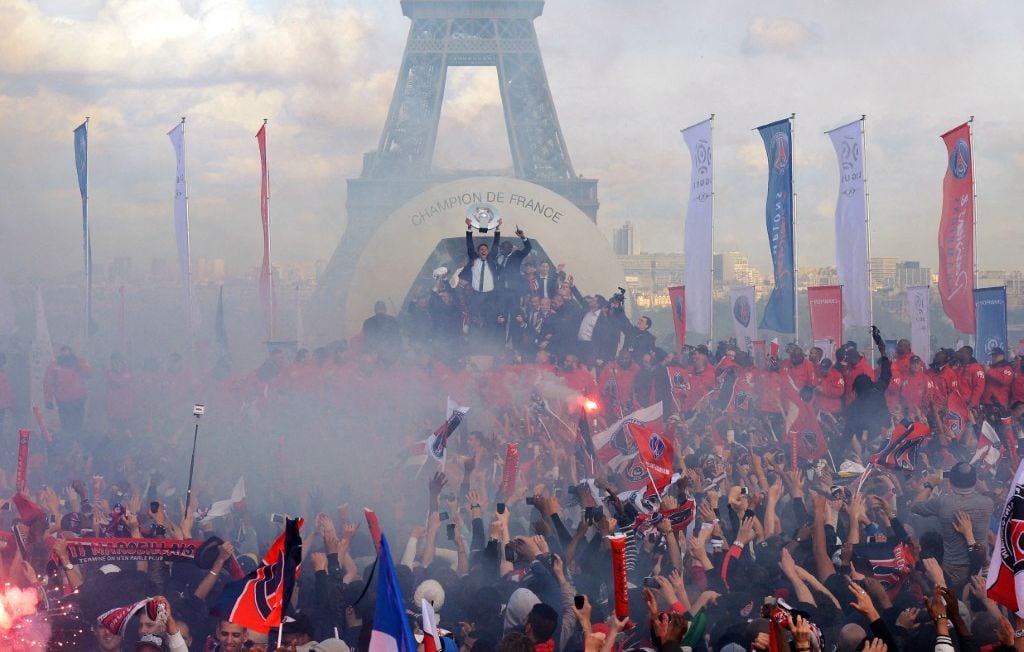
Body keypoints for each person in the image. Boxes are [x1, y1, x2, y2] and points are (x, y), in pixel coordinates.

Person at [910, 461, 993, 590]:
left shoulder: (944, 503)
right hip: (982, 567)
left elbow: (915, 506)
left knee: (953, 599)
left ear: (952, 481)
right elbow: (991, 497)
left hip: (954, 570)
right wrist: (984, 489)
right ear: (975, 481)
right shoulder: (988, 503)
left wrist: (931, 484)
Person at [44, 344, 91, 435]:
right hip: (63, 402)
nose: (65, 355)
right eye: (63, 352)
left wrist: (77, 363)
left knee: (77, 426)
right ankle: (68, 445)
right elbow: (48, 382)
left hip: (78, 400)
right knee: (66, 426)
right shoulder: (54, 365)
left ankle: (76, 444)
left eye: (67, 352)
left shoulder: (78, 362)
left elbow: (89, 373)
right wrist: (48, 399)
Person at [464, 217, 502, 323]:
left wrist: (498, 228)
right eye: (481, 250)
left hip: (490, 294)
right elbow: (470, 245)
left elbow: (496, 244)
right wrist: (469, 227)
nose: (483, 251)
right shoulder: (474, 259)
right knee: (475, 318)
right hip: (477, 294)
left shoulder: (491, 259)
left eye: (485, 249)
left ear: (488, 251)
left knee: (490, 316)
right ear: (478, 252)